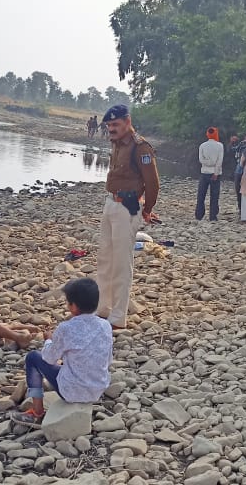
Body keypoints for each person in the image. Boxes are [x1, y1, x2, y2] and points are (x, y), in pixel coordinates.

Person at [10, 278, 112, 427]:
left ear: (73, 306)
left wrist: (48, 340)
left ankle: (37, 413)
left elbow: (49, 358)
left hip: (72, 392)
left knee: (33, 358)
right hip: (98, 388)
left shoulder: (66, 328)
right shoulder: (106, 325)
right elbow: (107, 359)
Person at [97, 104, 160, 329]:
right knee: (105, 259)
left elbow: (153, 183)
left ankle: (118, 317)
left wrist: (147, 209)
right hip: (111, 202)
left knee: (122, 263)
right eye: (109, 125)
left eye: (115, 124)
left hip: (128, 207)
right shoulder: (116, 143)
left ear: (127, 122)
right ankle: (102, 308)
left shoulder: (140, 147)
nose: (112, 129)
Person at [195, 127, 224, 221]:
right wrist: (216, 172)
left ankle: (199, 215)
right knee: (214, 196)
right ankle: (213, 216)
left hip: (204, 172)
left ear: (207, 134)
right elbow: (220, 161)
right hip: (215, 173)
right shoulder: (220, 146)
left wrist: (208, 162)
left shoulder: (202, 145)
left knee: (201, 194)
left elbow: (201, 159)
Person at [230, 135, 245, 213]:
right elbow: (233, 150)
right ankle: (242, 208)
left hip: (240, 169)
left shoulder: (243, 146)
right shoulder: (241, 145)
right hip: (240, 169)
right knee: (240, 190)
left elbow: (233, 150)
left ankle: (243, 208)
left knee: (240, 189)